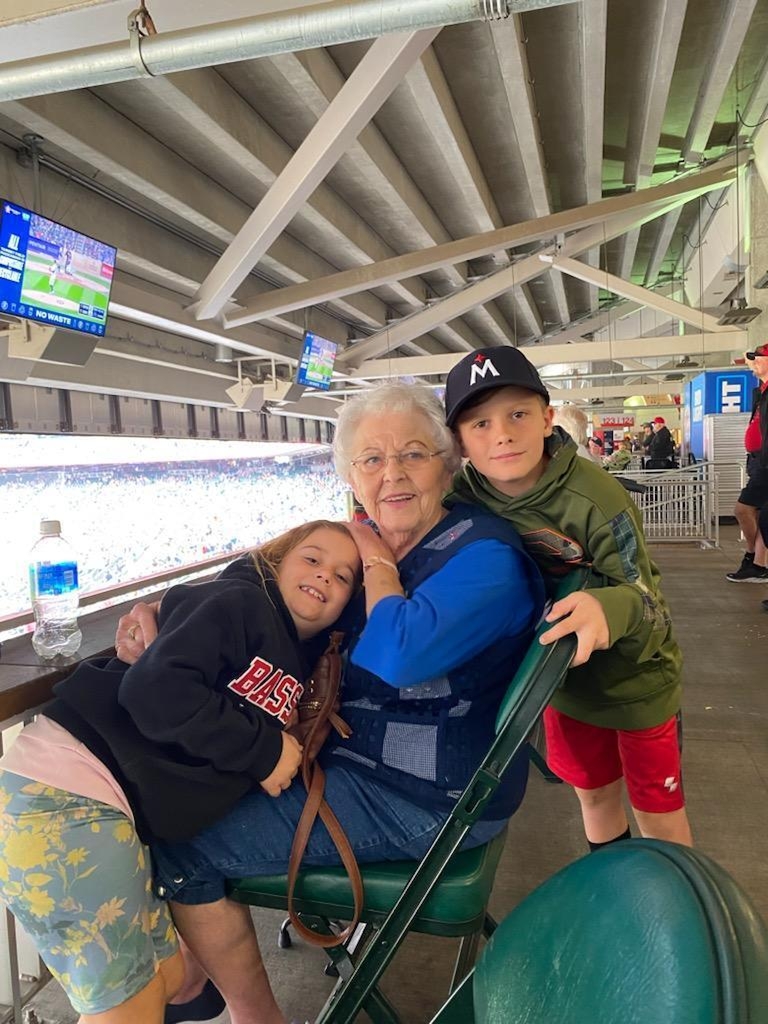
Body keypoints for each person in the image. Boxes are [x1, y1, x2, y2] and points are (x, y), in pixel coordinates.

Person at [115, 382, 545, 1024]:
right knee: (179, 786)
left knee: (180, 839)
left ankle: (247, 1012)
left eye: (413, 454)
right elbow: (261, 577)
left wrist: (374, 560)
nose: (391, 474)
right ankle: (194, 975)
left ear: (448, 463)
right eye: (371, 460)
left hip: (431, 798)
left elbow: (397, 652)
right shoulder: (366, 538)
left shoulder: (485, 558)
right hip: (355, 763)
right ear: (350, 476)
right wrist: (168, 608)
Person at [0, 521, 362, 1023]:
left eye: (343, 576)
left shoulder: (298, 655)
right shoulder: (239, 603)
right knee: (129, 1006)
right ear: (276, 563)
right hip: (64, 797)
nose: (325, 575)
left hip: (107, 810)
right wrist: (262, 751)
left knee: (170, 979)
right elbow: (155, 690)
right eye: (313, 559)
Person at [443, 346, 693, 855]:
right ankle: (617, 886)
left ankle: (676, 898)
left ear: (547, 419)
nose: (502, 434)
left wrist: (608, 607)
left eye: (518, 414)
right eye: (480, 423)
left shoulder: (597, 496)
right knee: (594, 796)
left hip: (636, 683)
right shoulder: (460, 500)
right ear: (459, 442)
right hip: (560, 686)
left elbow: (649, 603)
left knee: (658, 814)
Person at [726, 345, 768, 583]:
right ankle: (758, 564)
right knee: (762, 515)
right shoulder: (761, 391)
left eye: (759, 359)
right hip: (757, 459)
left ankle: (752, 556)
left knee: (743, 509)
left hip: (765, 462)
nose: (754, 363)